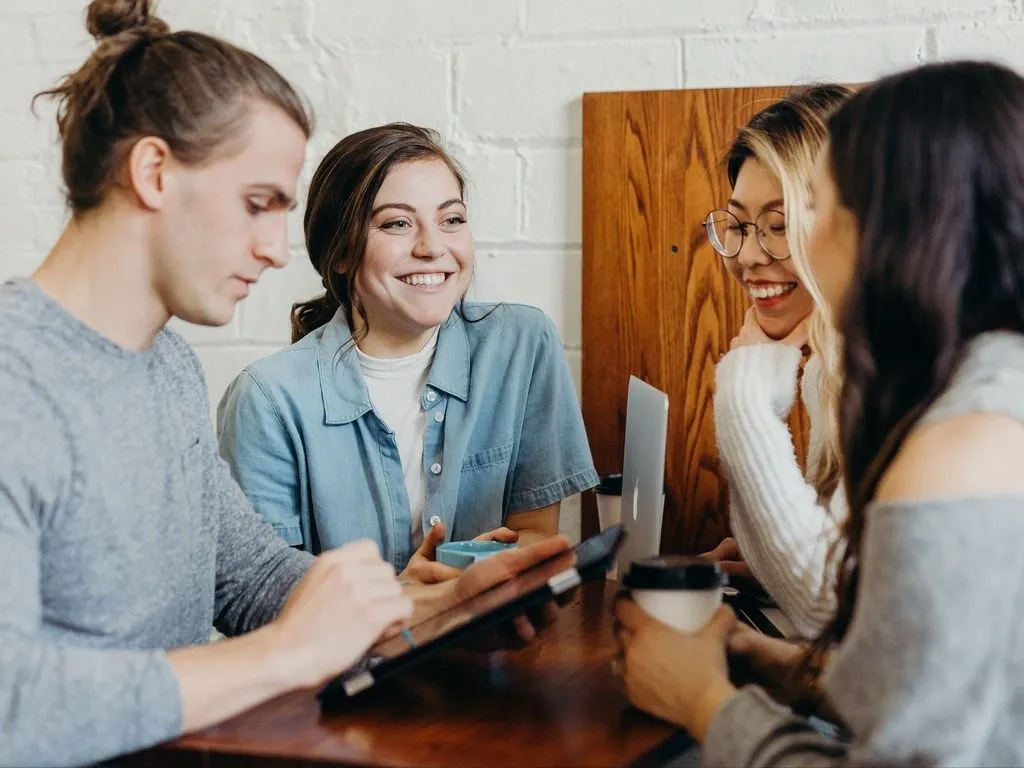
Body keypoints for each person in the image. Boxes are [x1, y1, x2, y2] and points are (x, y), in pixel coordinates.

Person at [0, 3, 570, 766]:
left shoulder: (164, 367)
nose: (276, 251)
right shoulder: (16, 383)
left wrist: (433, 613)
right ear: (153, 172)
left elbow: (252, 576)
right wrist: (284, 656)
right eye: (256, 203)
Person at [616, 59, 1024, 765]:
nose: (764, 252)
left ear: (896, 226)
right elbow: (934, 690)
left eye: (819, 206)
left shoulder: (963, 442)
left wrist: (704, 703)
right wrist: (792, 672)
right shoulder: (976, 388)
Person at [217, 122, 598, 582]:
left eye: (451, 219)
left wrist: (472, 580)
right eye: (397, 223)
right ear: (339, 253)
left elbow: (535, 534)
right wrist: (407, 600)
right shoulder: (267, 400)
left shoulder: (521, 344)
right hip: (351, 653)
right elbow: (265, 596)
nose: (432, 247)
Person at [701, 84, 852, 637]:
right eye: (738, 225)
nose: (746, 256)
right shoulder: (831, 367)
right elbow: (835, 583)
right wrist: (766, 562)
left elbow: (827, 609)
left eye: (780, 225)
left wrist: (744, 393)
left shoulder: (897, 374)